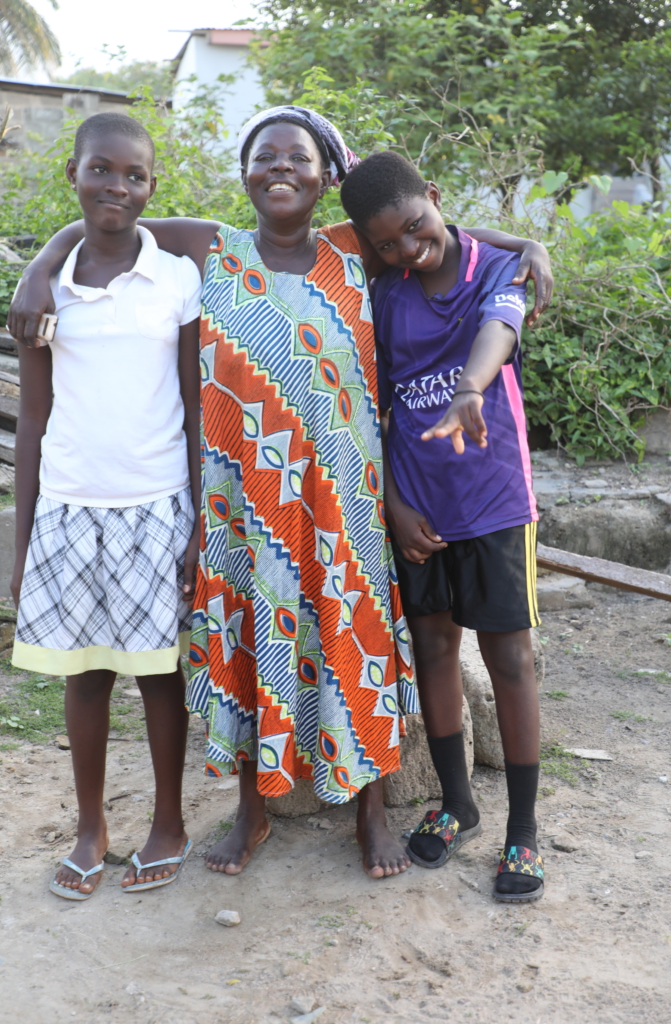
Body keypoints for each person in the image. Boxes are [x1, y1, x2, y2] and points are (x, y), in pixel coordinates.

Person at [9, 106, 552, 881]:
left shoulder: (355, 251)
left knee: (350, 643)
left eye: (297, 158)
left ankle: (368, 812)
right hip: (245, 508)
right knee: (248, 649)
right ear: (244, 173)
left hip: (346, 505)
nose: (280, 169)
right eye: (264, 157)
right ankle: (252, 811)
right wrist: (42, 262)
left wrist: (521, 245)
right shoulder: (210, 250)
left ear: (326, 177)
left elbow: (433, 230)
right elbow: (110, 218)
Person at [340, 150, 545, 902]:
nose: (406, 250)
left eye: (417, 229)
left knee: (510, 659)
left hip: (492, 501)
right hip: (417, 507)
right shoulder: (385, 293)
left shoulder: (495, 268)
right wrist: (393, 505)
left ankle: (522, 830)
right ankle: (457, 803)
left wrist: (469, 388)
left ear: (435, 197)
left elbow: (499, 325)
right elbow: (376, 405)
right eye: (386, 244)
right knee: (432, 644)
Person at [10, 112, 202, 899]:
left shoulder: (177, 278)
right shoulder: (47, 291)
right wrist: (23, 545)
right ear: (74, 175)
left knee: (159, 675)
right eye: (100, 171)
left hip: (155, 504)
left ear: (151, 187)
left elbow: (193, 408)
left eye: (133, 175)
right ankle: (90, 826)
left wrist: (197, 521)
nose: (115, 186)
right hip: (67, 506)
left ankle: (168, 820)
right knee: (84, 676)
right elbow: (31, 417)